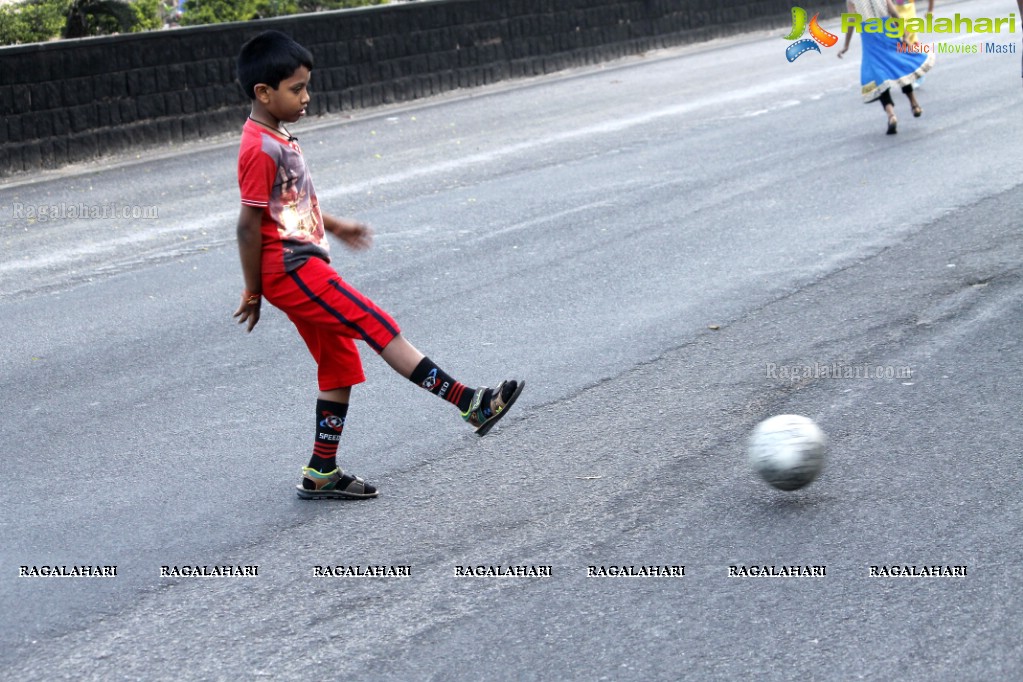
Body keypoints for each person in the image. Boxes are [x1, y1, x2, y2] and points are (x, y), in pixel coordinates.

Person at [232, 30, 524, 500]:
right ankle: (470, 403)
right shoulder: (258, 148)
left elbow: (287, 203)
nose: (307, 97)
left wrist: (337, 225)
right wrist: (253, 291)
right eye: (296, 89)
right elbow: (249, 226)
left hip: (299, 263)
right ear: (263, 93)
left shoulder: (277, 136)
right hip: (289, 269)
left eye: (308, 85)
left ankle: (321, 471)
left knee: (339, 363)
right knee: (376, 324)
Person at [837, 0, 935, 134]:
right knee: (898, 68)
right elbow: (894, 13)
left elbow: (850, 22)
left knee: (879, 76)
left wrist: (846, 45)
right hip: (888, 32)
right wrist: (904, 35)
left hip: (870, 39)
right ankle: (914, 104)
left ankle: (891, 115)